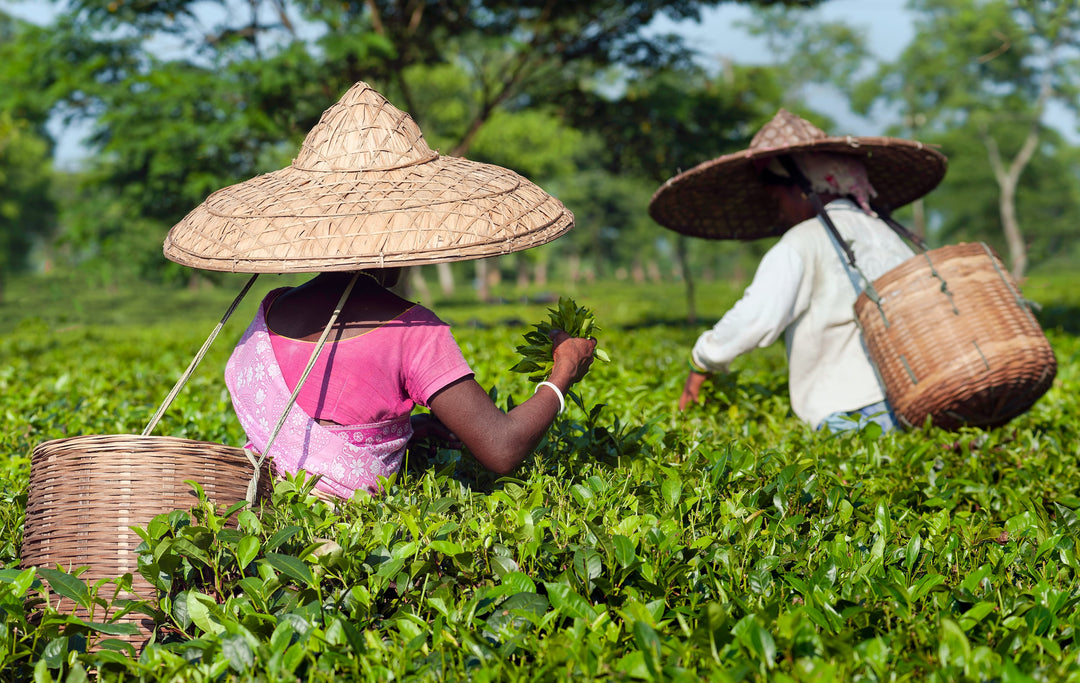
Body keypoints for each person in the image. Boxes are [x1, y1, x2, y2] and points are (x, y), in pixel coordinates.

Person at [163, 82, 595, 499]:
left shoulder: (273, 308)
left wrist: (404, 431)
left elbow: (322, 423)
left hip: (263, 521)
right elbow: (501, 449)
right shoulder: (414, 330)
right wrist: (563, 374)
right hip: (354, 542)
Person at [648, 109, 948, 432]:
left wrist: (702, 362)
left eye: (778, 198)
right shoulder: (887, 235)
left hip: (847, 413)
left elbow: (756, 318)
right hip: (908, 402)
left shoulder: (804, 240)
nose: (779, 210)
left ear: (802, 188)